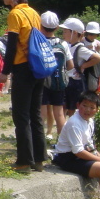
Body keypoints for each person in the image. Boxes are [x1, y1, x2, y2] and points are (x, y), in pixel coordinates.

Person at [0, 0, 46, 173]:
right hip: (37, 68)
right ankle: (39, 159)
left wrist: (4, 72)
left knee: (21, 116)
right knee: (35, 114)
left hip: (23, 69)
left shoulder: (15, 14)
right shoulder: (34, 13)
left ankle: (24, 162)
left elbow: (12, 46)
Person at [59, 17, 100, 117]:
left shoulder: (80, 48)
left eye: (65, 32)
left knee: (71, 109)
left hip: (74, 83)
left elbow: (98, 58)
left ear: (74, 33)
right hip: (66, 81)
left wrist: (83, 66)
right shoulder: (67, 45)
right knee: (63, 107)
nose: (63, 34)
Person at [39, 11, 73, 141]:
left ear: (40, 26)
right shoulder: (63, 44)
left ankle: (39, 143)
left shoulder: (38, 43)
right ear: (57, 28)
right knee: (59, 113)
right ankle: (61, 143)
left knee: (41, 113)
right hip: (59, 82)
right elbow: (70, 65)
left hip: (42, 82)